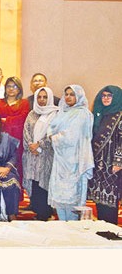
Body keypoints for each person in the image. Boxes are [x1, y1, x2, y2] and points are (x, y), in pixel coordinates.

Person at [47, 85, 95, 221]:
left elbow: (71, 136)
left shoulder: (83, 114)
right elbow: (51, 127)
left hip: (75, 159)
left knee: (72, 195)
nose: (68, 97)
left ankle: (72, 225)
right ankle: (63, 223)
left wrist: (54, 137)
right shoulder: (62, 112)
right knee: (59, 194)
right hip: (60, 159)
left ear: (78, 96)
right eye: (66, 94)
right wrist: (51, 135)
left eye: (72, 94)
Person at [22, 87, 59, 221]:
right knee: (34, 184)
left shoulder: (55, 114)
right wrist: (31, 145)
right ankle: (37, 211)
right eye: (39, 97)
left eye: (45, 97)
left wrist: (39, 144)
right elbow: (26, 131)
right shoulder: (32, 113)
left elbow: (54, 134)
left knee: (44, 184)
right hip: (31, 155)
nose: (42, 100)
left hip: (46, 155)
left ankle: (45, 213)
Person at [89, 86, 122, 224]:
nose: (106, 98)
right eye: (103, 95)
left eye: (109, 96)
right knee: (99, 198)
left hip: (112, 165)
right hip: (98, 163)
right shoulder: (99, 113)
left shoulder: (120, 115)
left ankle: (110, 229)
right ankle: (101, 227)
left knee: (110, 199)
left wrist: (118, 161)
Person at [0, 76, 29, 180]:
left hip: (17, 138)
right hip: (0, 138)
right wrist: (11, 120)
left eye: (14, 86)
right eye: (9, 86)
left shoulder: (24, 103)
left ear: (19, 89)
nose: (11, 89)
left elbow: (22, 119)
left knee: (16, 164)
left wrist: (5, 120)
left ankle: (16, 188)